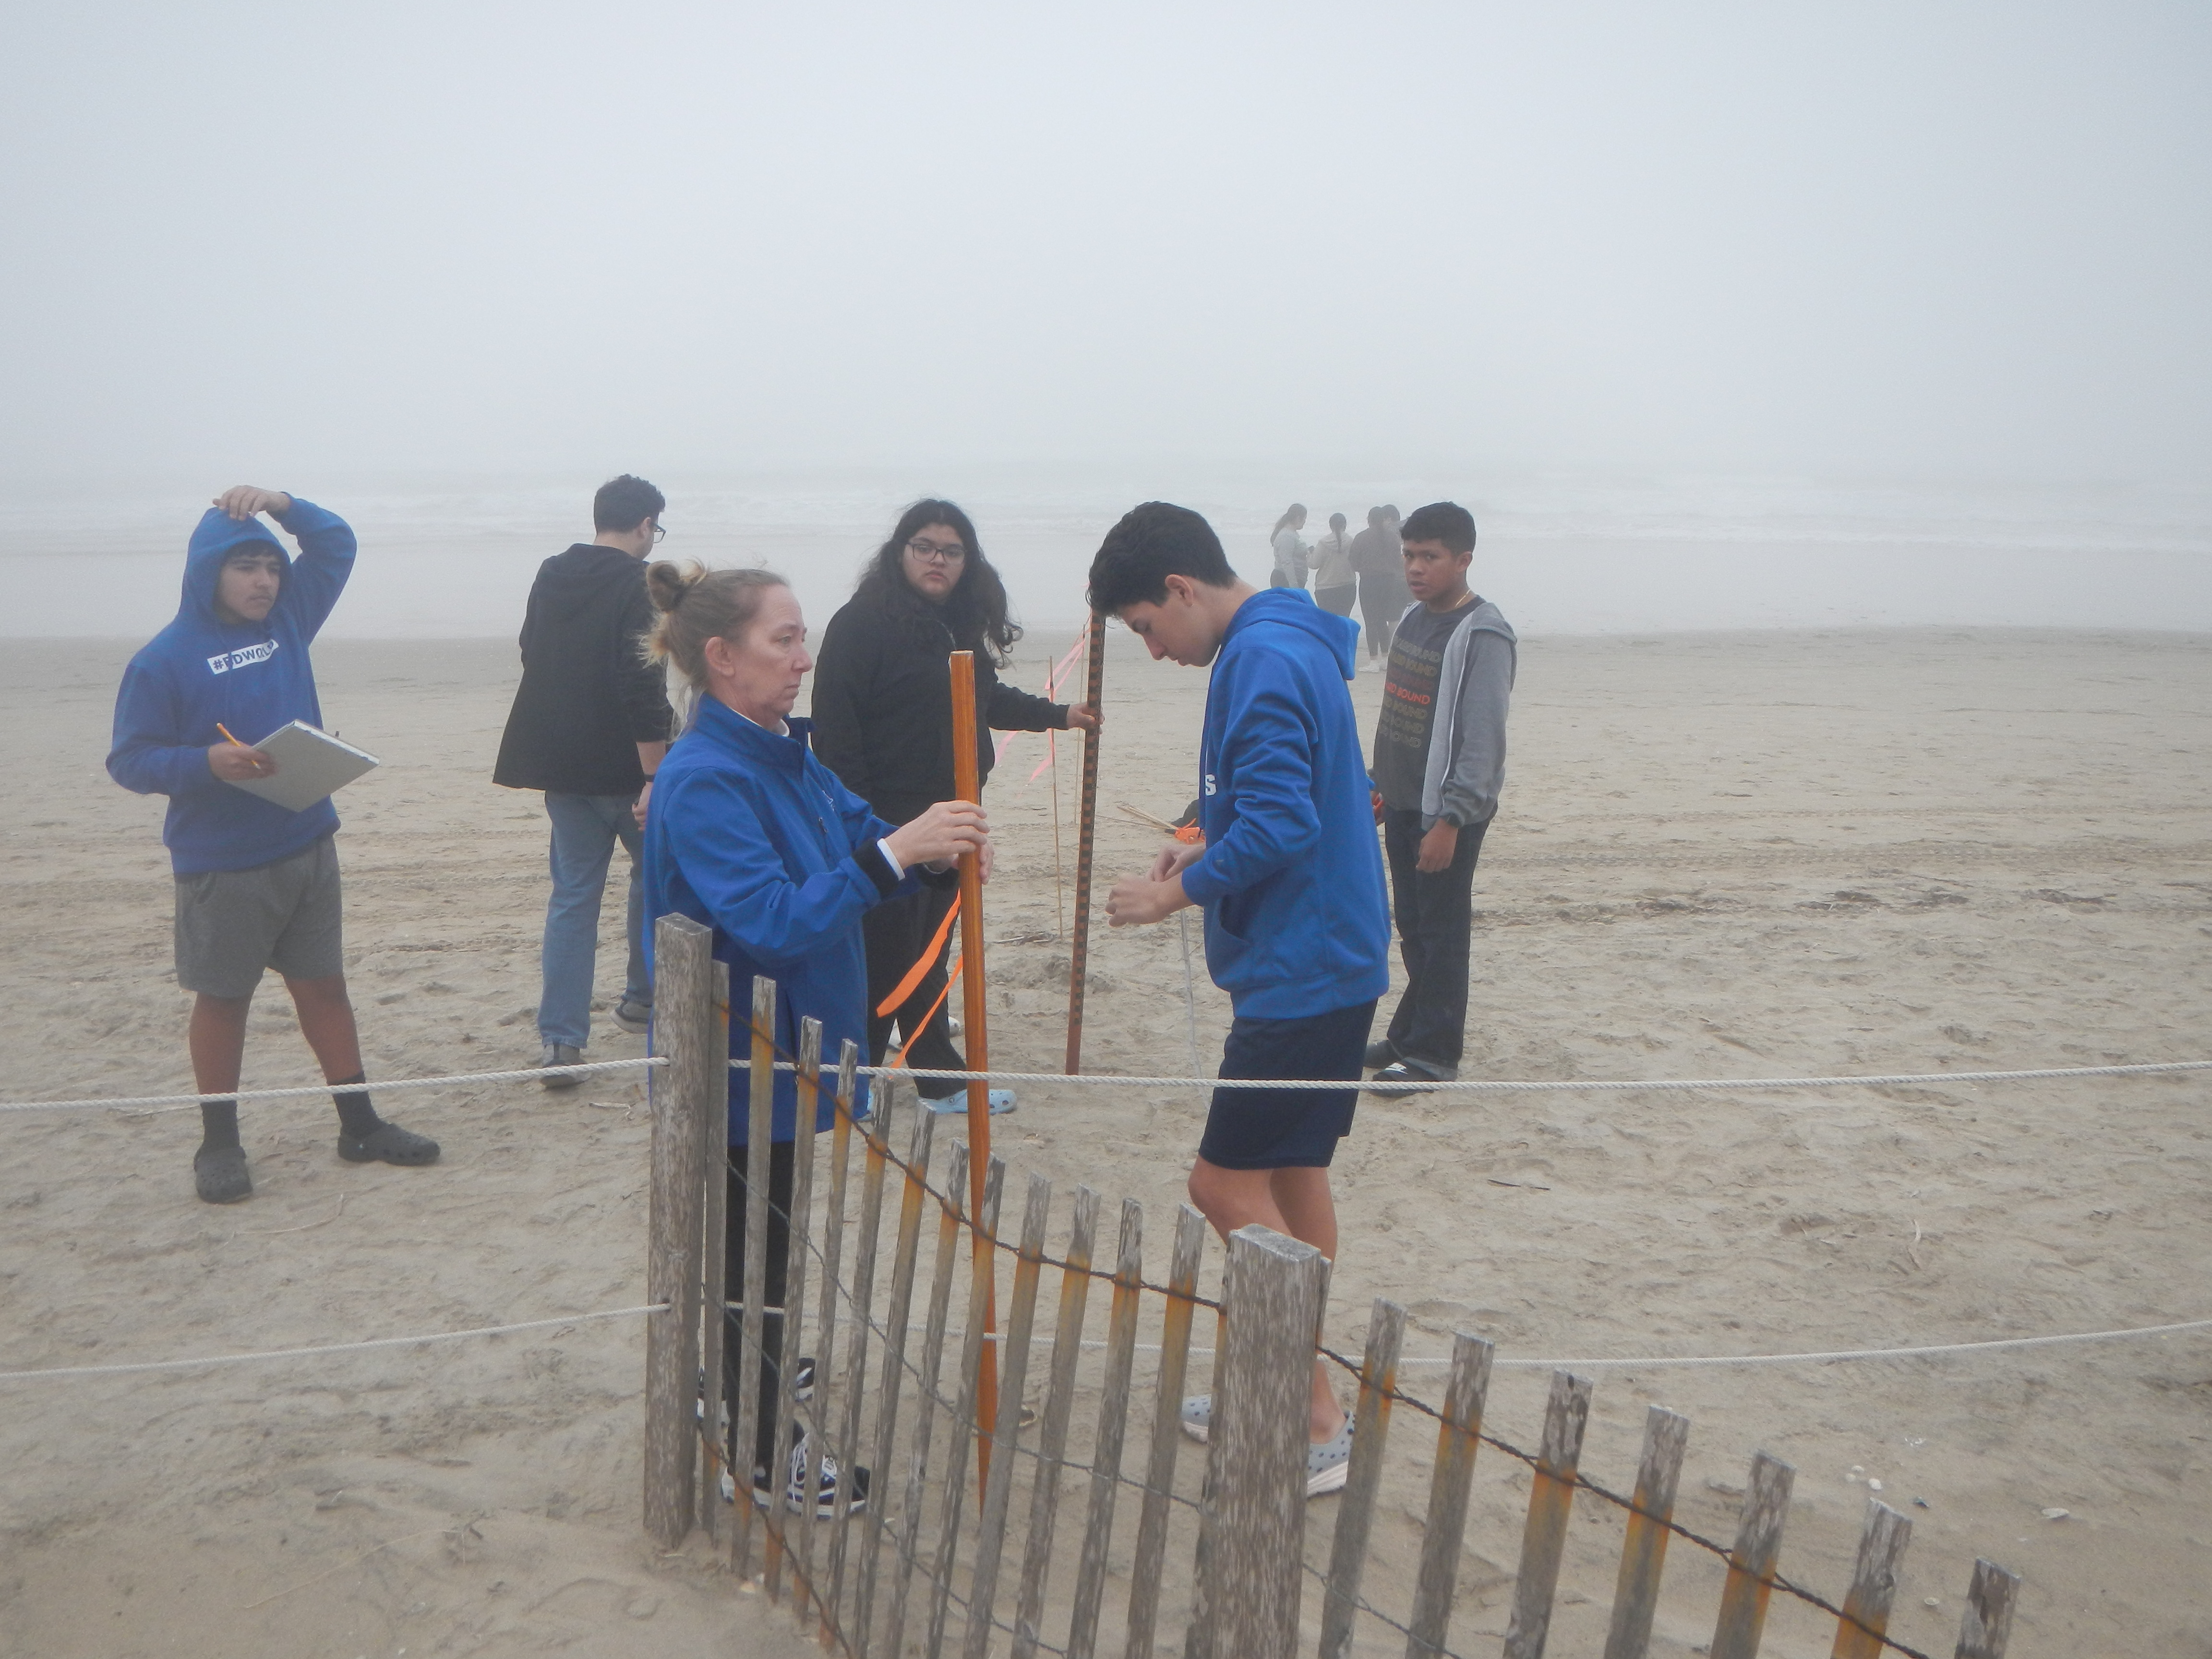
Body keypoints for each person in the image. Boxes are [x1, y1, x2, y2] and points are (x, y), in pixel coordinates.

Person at [640, 559, 991, 1516]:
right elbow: (773, 921)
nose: (804, 660)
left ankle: (736, 1368)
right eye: (785, 640)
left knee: (767, 1239)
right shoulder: (706, 778)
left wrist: (933, 852)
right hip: (738, 1063)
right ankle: (760, 1451)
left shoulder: (781, 751)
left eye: (804, 639)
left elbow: (859, 827)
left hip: (793, 1050)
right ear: (722, 657)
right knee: (754, 1246)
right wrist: (895, 855)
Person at [1092, 502, 1389, 1499]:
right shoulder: (1287, 634)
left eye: (1146, 627)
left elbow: (1281, 825)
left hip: (1304, 967)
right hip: (1331, 951)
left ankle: (1313, 1417)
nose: (1152, 651)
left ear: (1181, 589)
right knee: (1295, 1179)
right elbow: (1278, 807)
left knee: (1221, 1186)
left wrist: (1171, 894)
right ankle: (1282, 1382)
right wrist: (1204, 844)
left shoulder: (1259, 658)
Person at [108, 487, 440, 1204]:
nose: (264, 581)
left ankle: (359, 1126)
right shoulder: (163, 660)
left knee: (324, 987)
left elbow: (337, 544)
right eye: (245, 567)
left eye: (270, 567)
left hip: (307, 839)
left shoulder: (288, 619)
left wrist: (284, 505)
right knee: (225, 1000)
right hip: (222, 863)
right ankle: (219, 1143)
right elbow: (129, 761)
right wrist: (205, 763)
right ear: (209, 574)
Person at [810, 499, 1097, 1113]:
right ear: (900, 552)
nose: (937, 560)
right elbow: (835, 734)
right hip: (887, 821)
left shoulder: (954, 625)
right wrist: (864, 824)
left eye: (951, 550)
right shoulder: (859, 624)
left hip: (955, 814)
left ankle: (936, 1080)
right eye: (924, 547)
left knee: (929, 952)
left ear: (967, 561)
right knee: (884, 955)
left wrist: (1060, 715)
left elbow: (983, 697)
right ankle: (864, 1084)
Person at [493, 475, 676, 1085]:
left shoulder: (553, 573)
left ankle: (561, 1041)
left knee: (573, 898)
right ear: (645, 525)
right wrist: (654, 775)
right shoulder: (641, 583)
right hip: (626, 766)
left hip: (564, 764)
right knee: (654, 879)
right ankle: (642, 997)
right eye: (656, 528)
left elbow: (531, 649)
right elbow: (642, 682)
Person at [1365, 502, 1515, 1087]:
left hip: (1446, 814)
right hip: (1402, 802)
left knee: (1442, 933)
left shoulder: (1483, 633)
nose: (1415, 568)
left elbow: (1483, 739)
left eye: (1430, 557)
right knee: (1413, 925)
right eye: (1409, 555)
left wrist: (1451, 820)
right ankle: (1408, 1035)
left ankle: (1434, 1055)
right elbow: (1397, 715)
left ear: (1463, 560)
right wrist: (1379, 784)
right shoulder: (1412, 619)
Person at [1348, 505, 1410, 668]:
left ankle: (1373, 660)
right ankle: (1385, 658)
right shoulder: (1393, 538)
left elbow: (1353, 562)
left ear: (1369, 520)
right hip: (1389, 581)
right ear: (1384, 520)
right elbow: (1398, 562)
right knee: (1383, 619)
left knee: (1370, 620)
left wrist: (1363, 567)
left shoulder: (1362, 537)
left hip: (1369, 581)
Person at [1311, 511, 1357, 617]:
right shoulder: (1351, 541)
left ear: (1330, 526)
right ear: (1345, 525)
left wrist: (1309, 555)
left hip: (1325, 588)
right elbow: (1356, 563)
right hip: (1348, 586)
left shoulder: (1323, 543)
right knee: (1344, 619)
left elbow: (1314, 564)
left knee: (1327, 621)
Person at [1268, 502, 1310, 589]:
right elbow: (1287, 562)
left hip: (1292, 578)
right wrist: (1294, 586)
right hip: (1284, 579)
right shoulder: (1286, 536)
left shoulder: (1292, 533)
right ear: (1298, 518)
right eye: (1305, 518)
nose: (1305, 522)